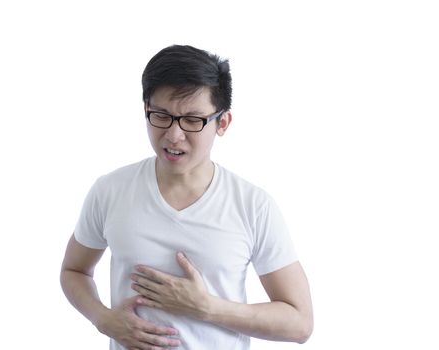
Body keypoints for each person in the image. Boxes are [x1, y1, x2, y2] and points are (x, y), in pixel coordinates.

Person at [60, 44, 313, 349]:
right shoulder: (110, 190)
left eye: (192, 120)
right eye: (161, 116)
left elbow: (299, 323)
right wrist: (102, 319)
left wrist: (206, 307)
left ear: (222, 123)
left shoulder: (252, 205)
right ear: (146, 111)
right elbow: (74, 270)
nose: (173, 135)